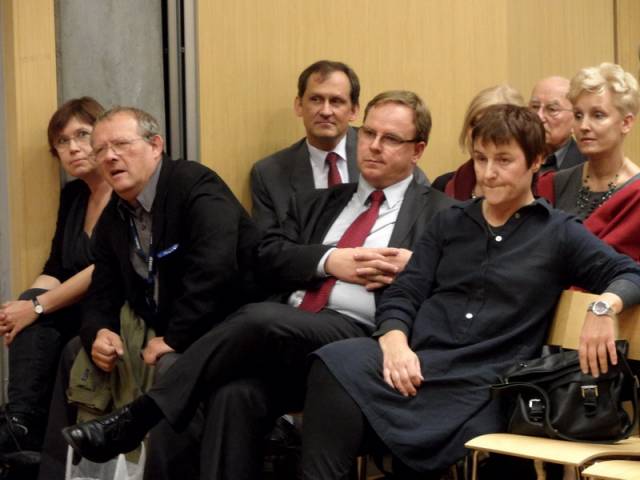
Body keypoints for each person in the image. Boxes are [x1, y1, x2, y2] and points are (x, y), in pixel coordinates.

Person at [61, 90, 455, 480]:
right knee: (234, 395)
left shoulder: (442, 215)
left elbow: (460, 290)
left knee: (258, 318)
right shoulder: (317, 203)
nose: (374, 146)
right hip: (288, 339)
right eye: (368, 133)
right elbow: (265, 256)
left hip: (363, 338)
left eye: (391, 139)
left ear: (417, 150)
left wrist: (415, 266)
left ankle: (137, 418)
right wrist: (328, 259)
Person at [298, 105, 640, 479]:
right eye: (480, 159)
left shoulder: (558, 232)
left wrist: (603, 308)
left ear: (536, 161)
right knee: (334, 361)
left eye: (504, 160)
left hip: (488, 381)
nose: (489, 173)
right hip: (421, 361)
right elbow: (405, 292)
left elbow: (629, 272)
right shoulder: (449, 222)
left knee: (473, 437)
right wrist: (394, 342)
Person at [36, 106, 260, 479]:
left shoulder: (195, 185)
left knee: (171, 366)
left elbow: (215, 272)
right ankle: (59, 473)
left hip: (223, 328)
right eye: (101, 149)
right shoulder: (116, 215)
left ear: (155, 145)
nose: (109, 156)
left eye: (121, 145)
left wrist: (175, 338)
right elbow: (101, 292)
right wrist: (99, 333)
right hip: (159, 327)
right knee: (77, 351)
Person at [0, 97, 111, 455]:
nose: (73, 148)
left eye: (82, 134)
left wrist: (36, 307)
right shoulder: (74, 195)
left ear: (103, 135)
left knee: (35, 311)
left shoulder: (124, 188)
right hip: (74, 306)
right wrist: (20, 308)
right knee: (25, 308)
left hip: (110, 306)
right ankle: (20, 424)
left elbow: (104, 268)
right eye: (62, 141)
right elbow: (56, 268)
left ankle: (21, 428)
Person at [250, 60, 428, 232]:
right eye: (316, 99)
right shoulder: (269, 174)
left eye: (336, 101)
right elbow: (268, 247)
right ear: (299, 105)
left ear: (354, 110)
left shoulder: (385, 155)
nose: (326, 111)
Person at [537, 63, 640, 261]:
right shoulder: (551, 185)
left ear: (626, 123)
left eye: (598, 115)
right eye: (578, 115)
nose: (583, 126)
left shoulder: (636, 193)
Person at [432, 84, 524, 199]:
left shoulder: (541, 190)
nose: (477, 133)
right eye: (474, 124)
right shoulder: (443, 186)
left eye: (490, 125)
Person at [529, 76, 587, 172]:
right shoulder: (518, 158)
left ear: (575, 118)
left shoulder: (587, 165)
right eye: (535, 107)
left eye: (552, 109)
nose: (539, 116)